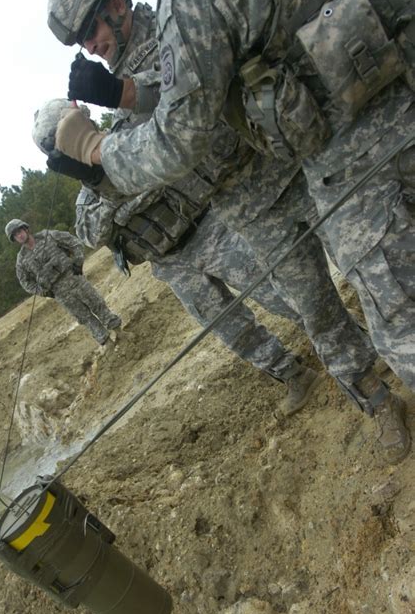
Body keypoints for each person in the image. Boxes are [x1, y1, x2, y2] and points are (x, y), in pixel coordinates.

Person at [42, 0, 410, 462]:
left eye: (93, 29)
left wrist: (127, 93)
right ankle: (378, 399)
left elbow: (189, 101)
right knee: (315, 308)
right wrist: (93, 170)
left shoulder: (182, 18)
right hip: (246, 205)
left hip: (297, 161)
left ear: (116, 2)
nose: (93, 45)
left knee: (375, 268)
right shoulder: (113, 91)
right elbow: (153, 165)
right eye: (84, 40)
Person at [33, 99, 322, 417]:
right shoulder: (88, 199)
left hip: (212, 230)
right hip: (172, 264)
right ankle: (293, 374)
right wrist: (100, 186)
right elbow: (92, 234)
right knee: (232, 329)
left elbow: (163, 167)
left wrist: (114, 186)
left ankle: (343, 341)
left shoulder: (133, 140)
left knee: (279, 292)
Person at [5, 218, 121, 345]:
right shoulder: (21, 260)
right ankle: (107, 343)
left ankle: (119, 331)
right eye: (15, 235)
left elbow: (74, 243)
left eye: (20, 231)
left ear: (26, 229)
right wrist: (43, 292)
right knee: (84, 317)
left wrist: (78, 262)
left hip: (73, 277)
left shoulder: (48, 236)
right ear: (14, 239)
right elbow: (25, 282)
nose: (19, 235)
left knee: (97, 303)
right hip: (59, 291)